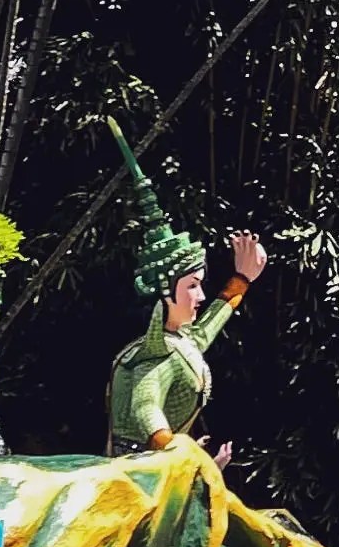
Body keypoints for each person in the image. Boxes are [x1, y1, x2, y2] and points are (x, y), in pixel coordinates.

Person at [104, 122, 268, 454]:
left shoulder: (181, 342)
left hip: (168, 473)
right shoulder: (153, 357)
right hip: (137, 481)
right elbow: (144, 407)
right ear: (165, 293)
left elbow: (210, 324)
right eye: (192, 286)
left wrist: (243, 278)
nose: (201, 296)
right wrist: (182, 454)